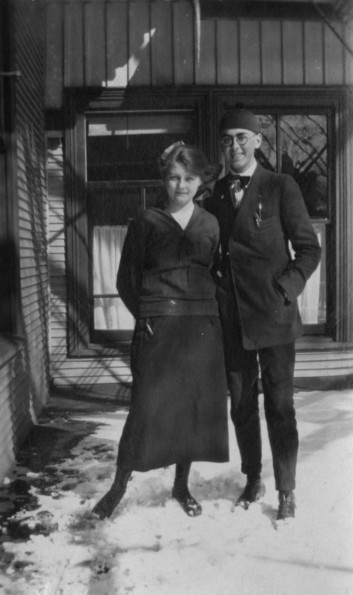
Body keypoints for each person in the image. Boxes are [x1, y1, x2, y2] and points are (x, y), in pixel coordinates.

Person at [93, 143, 229, 520]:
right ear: (164, 180)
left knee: (190, 409)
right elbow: (125, 280)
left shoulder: (211, 224)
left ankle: (182, 486)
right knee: (145, 410)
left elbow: (215, 273)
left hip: (201, 329)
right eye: (173, 177)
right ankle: (118, 487)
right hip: (158, 328)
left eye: (188, 178)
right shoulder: (146, 222)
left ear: (200, 181)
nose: (181, 185)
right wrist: (147, 316)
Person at [207, 107, 321, 521]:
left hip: (274, 318)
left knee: (279, 405)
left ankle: (286, 488)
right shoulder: (215, 195)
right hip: (233, 318)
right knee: (240, 403)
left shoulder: (280, 186)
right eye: (227, 139)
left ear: (257, 141)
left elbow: (309, 249)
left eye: (242, 137)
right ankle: (253, 476)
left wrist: (284, 289)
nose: (234, 146)